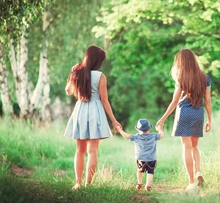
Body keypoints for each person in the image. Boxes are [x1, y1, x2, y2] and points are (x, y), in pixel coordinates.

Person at [64, 46, 121, 190]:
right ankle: (88, 184)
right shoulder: (100, 76)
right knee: (93, 151)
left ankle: (78, 183)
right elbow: (104, 100)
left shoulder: (77, 73)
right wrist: (114, 121)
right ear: (97, 61)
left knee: (79, 150)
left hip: (81, 111)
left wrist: (72, 73)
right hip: (95, 111)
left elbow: (68, 92)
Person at [156, 49, 212, 191]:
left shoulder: (181, 78)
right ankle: (199, 171)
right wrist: (209, 120)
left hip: (184, 113)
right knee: (194, 146)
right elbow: (208, 101)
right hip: (198, 114)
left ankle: (191, 182)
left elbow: (175, 102)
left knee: (186, 147)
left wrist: (163, 118)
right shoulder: (205, 78)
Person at [116, 118, 164, 191]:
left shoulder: (136, 137)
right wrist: (159, 129)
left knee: (139, 170)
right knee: (150, 172)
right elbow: (162, 135)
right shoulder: (153, 136)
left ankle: (139, 183)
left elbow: (127, 136)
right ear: (149, 128)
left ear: (138, 129)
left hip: (140, 159)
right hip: (152, 159)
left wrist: (119, 130)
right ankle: (148, 185)